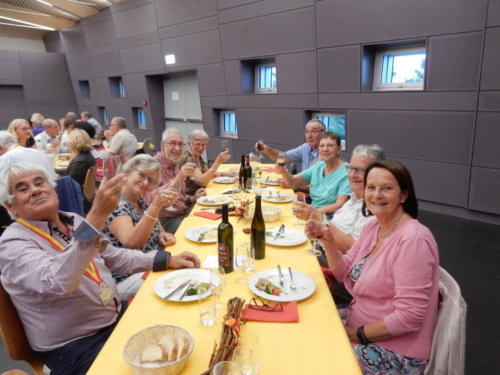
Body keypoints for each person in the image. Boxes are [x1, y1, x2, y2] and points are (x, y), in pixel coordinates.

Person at [0, 162, 200, 375]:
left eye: (40, 183)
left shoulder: (73, 221)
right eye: (23, 189)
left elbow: (114, 256)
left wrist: (166, 260)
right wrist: (95, 217)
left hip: (114, 318)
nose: (35, 190)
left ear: (52, 188)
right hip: (74, 347)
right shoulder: (12, 243)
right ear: (10, 206)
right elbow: (57, 282)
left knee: (182, 332)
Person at [306, 160, 439, 374]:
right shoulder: (374, 226)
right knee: (305, 321)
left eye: (386, 188)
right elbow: (343, 272)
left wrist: (355, 335)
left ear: (403, 195)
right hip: (359, 322)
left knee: (313, 358)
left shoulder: (413, 240)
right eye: (371, 187)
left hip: (394, 349)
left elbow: (410, 317)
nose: (377, 195)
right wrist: (327, 239)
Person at [103, 155, 179, 299]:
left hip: (152, 262)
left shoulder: (137, 200)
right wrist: (156, 205)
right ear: (127, 173)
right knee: (176, 282)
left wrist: (162, 234)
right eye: (142, 175)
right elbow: (131, 242)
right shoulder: (116, 203)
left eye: (150, 180)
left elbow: (152, 220)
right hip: (126, 277)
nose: (145, 182)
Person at [144, 128, 205, 233]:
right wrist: (178, 178)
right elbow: (148, 200)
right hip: (164, 222)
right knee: (198, 231)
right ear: (163, 145)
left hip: (181, 213)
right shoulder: (152, 166)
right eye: (173, 143)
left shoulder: (175, 165)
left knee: (210, 218)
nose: (177, 148)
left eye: (180, 144)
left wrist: (193, 197)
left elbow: (180, 197)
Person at [277, 132, 351, 215]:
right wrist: (283, 171)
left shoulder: (346, 171)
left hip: (330, 221)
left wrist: (313, 212)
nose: (325, 149)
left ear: (338, 149)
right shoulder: (318, 166)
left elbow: (339, 205)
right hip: (312, 215)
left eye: (330, 145)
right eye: (322, 146)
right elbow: (292, 182)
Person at [255, 119, 325, 172]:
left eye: (314, 131)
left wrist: (293, 184)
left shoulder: (327, 153)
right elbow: (281, 158)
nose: (309, 136)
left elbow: (319, 185)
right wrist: (267, 149)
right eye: (307, 131)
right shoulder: (305, 147)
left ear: (323, 134)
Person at [178, 129, 231, 195]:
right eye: (197, 144)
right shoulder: (189, 159)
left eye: (203, 145)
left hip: (201, 193)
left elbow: (208, 173)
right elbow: (202, 181)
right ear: (189, 144)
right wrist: (218, 162)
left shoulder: (197, 157)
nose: (201, 148)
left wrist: (229, 174)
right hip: (192, 199)